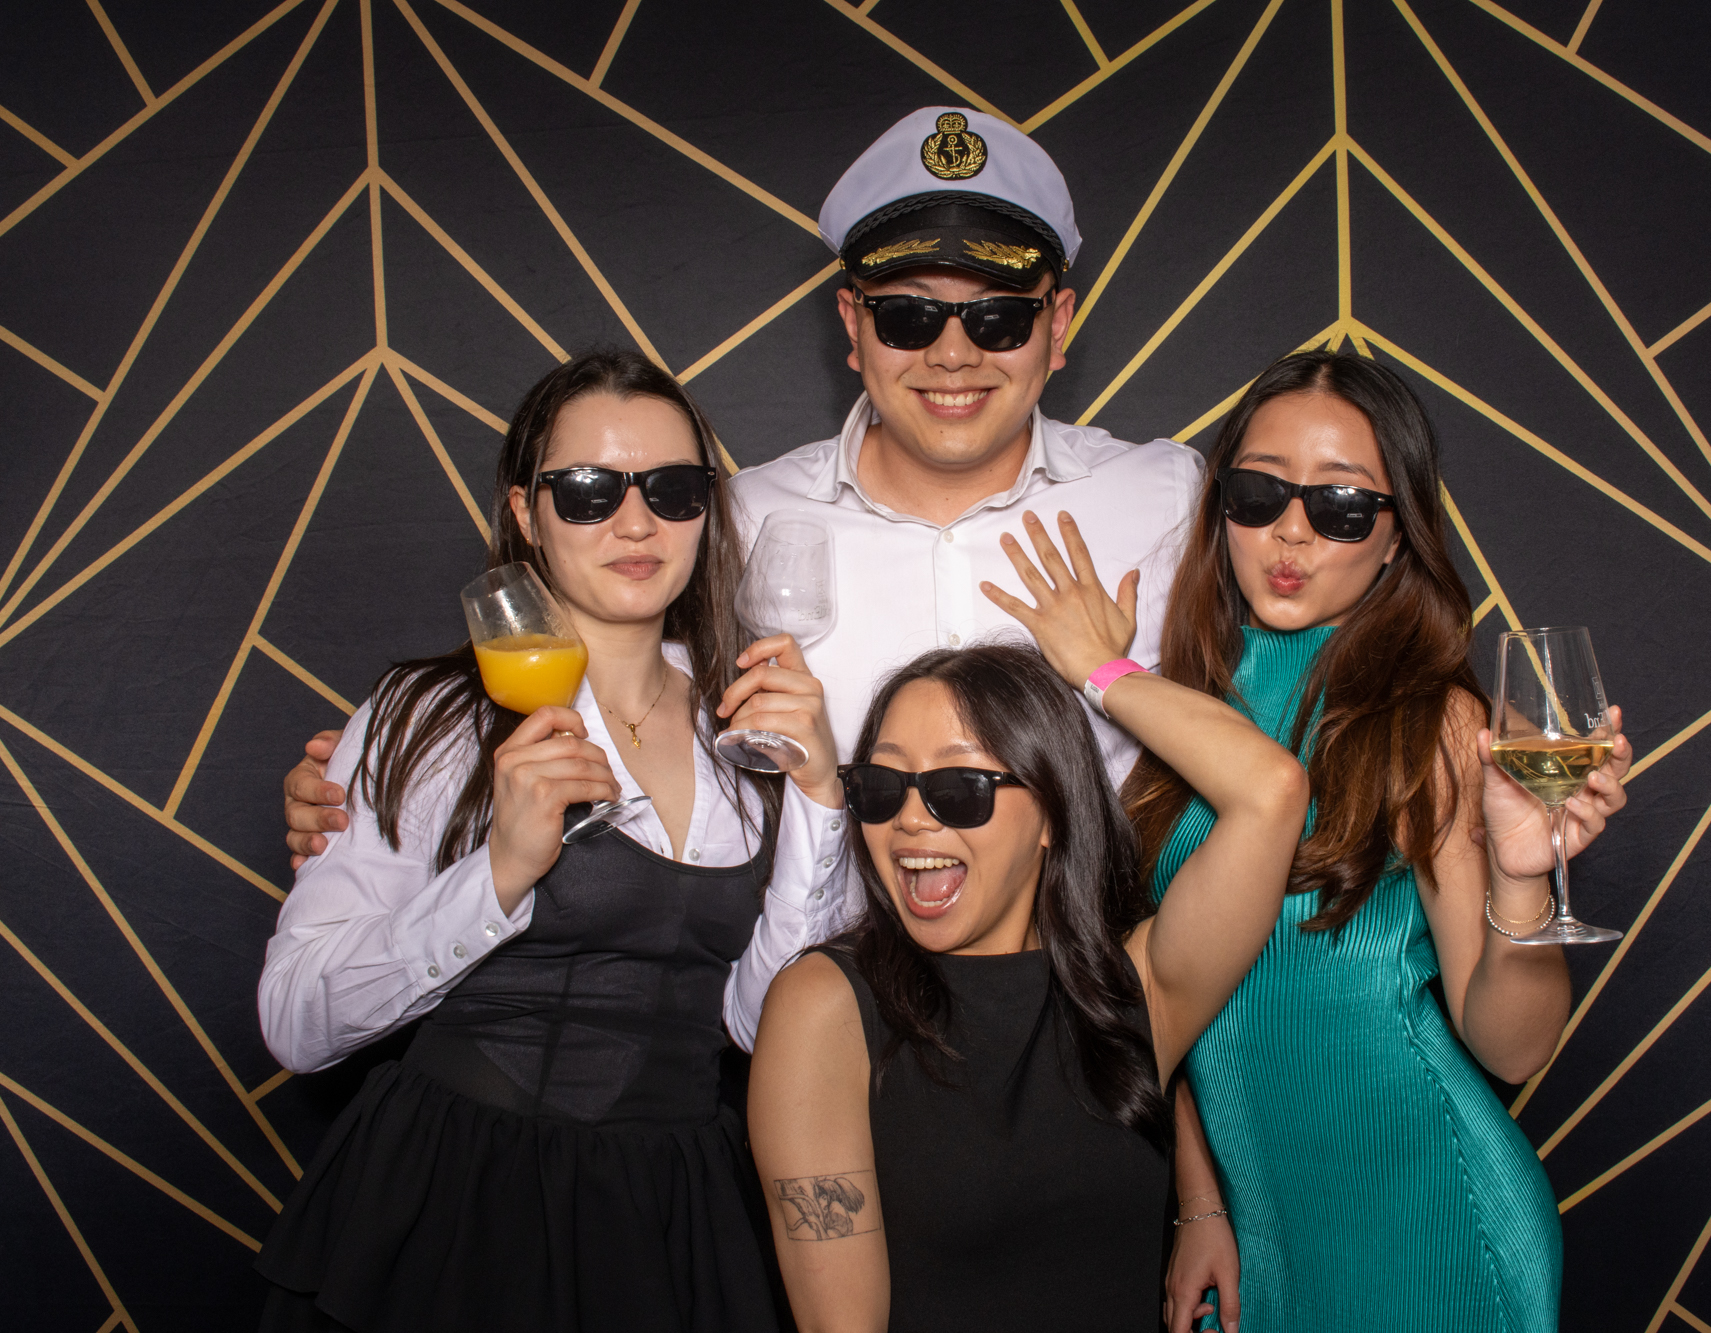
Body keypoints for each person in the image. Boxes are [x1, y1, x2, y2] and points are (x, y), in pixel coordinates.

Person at [281, 106, 1204, 880]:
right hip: (826, 1002)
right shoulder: (738, 518)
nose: (953, 354)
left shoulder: (1169, 497)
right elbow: (623, 695)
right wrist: (392, 778)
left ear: (1058, 324)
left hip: (1109, 994)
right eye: (908, 314)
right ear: (852, 325)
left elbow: (1269, 722)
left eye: (998, 317)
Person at [254, 349, 850, 1332]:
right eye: (586, 491)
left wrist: (821, 796)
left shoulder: (745, 727)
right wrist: (498, 874)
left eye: (673, 489)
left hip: (667, 1213)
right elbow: (295, 1023)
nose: (636, 523)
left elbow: (757, 1028)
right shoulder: (432, 716)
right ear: (526, 512)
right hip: (454, 1202)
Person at [1144, 351, 1633, 1332]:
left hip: (1430, 1220)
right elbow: (1168, 996)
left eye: (1339, 506)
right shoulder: (1179, 709)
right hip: (1264, 1228)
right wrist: (1200, 1202)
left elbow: (1512, 1047)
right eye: (1259, 492)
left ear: (1395, 535)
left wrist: (1524, 878)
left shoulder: (1434, 721)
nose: (1290, 531)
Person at [746, 513, 1311, 1332]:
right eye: (881, 786)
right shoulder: (823, 1006)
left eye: (959, 789)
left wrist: (1100, 671)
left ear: (1051, 811)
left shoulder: (1135, 991)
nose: (911, 819)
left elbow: (1271, 790)